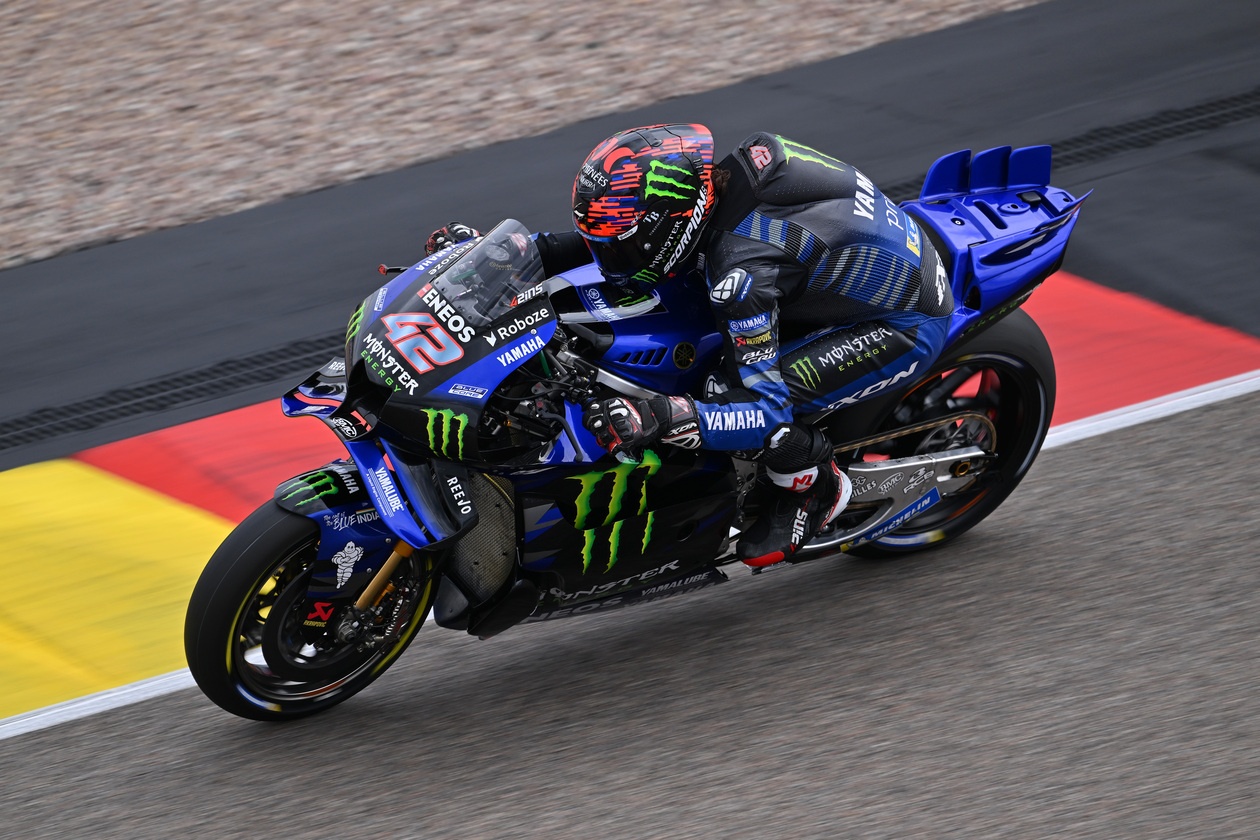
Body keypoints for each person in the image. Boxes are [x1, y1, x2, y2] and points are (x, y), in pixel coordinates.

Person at [426, 124, 953, 566]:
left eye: (620, 243)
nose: (607, 252)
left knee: (724, 392)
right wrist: (505, 257)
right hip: (832, 280)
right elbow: (608, 243)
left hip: (901, 324)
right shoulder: (715, 185)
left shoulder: (742, 275)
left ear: (671, 225)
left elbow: (764, 409)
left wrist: (663, 415)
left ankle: (815, 485)